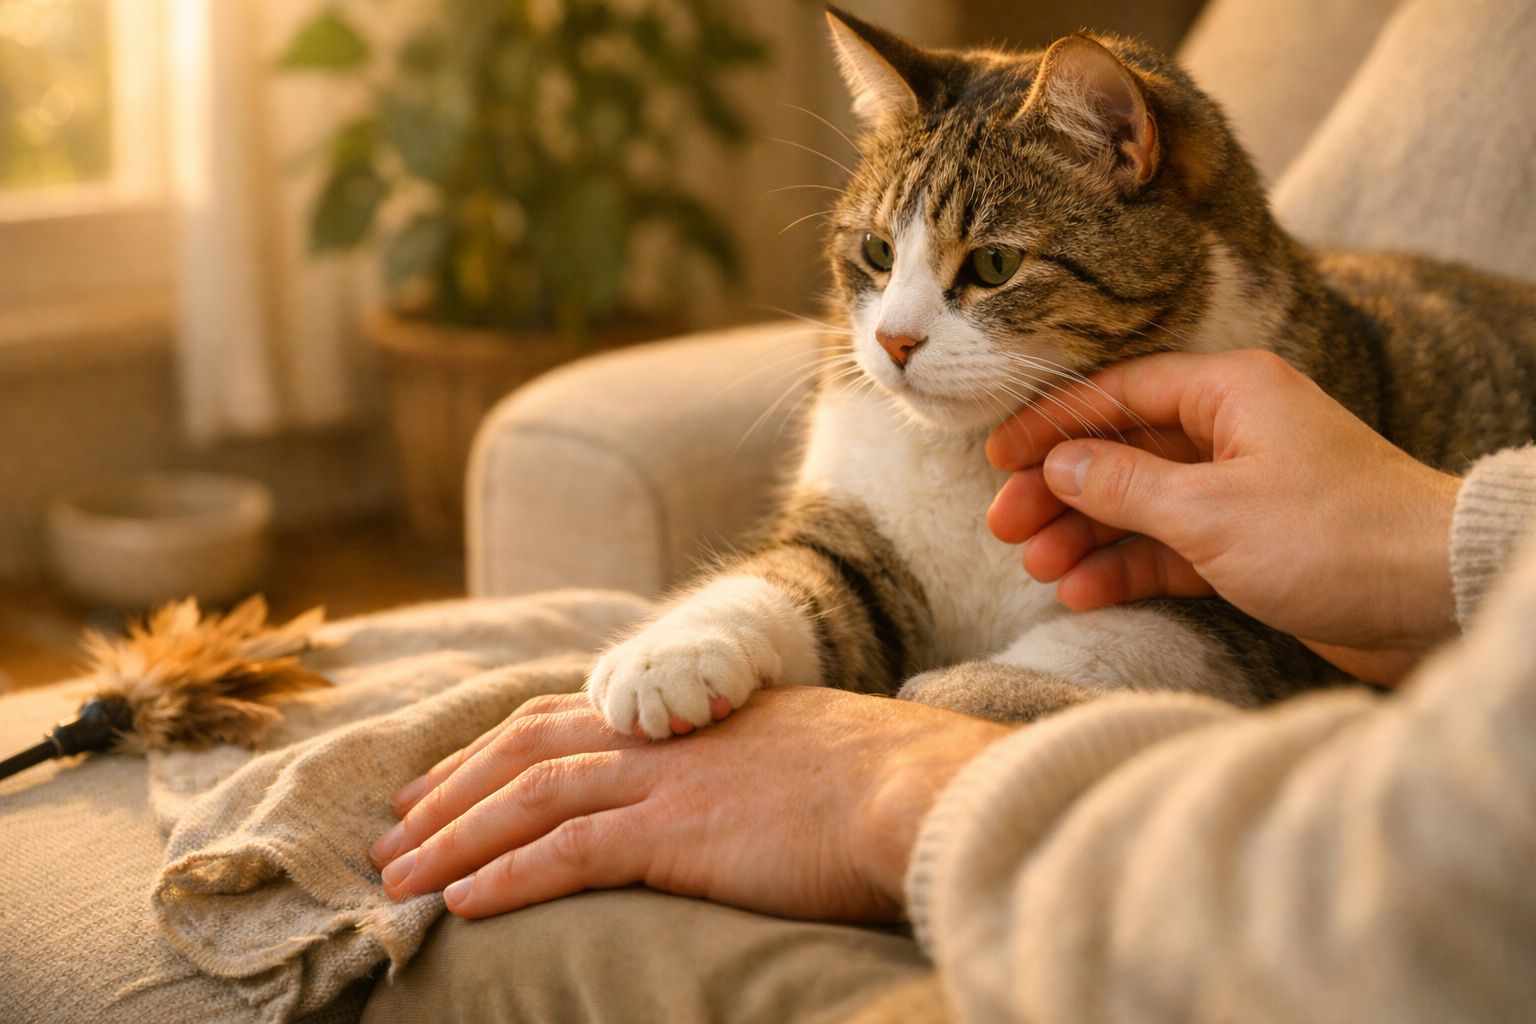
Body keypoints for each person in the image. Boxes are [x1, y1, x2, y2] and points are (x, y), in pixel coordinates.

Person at [365, 1, 1536, 1020]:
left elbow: (1229, 655)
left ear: (1129, 153)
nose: (898, 335)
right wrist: (736, 633)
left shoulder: (1287, 378)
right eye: (877, 255)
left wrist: (930, 743)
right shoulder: (887, 351)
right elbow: (838, 569)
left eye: (982, 271)